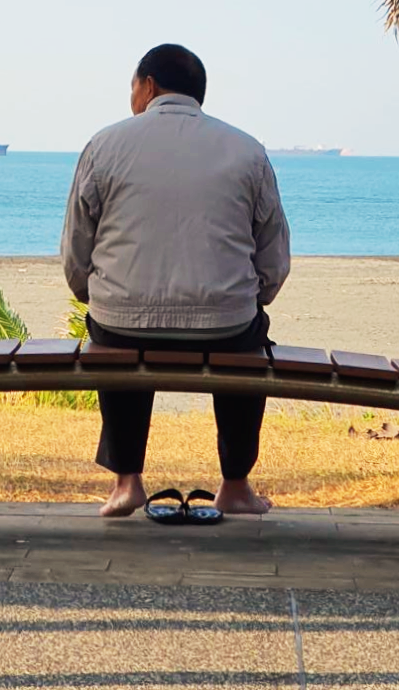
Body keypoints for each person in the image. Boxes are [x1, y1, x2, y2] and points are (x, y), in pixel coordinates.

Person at [61, 43, 291, 519]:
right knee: (250, 336)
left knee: (114, 330)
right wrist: (254, 297)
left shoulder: (104, 144)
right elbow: (273, 252)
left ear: (148, 86)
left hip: (121, 323)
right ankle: (235, 485)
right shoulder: (247, 150)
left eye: (131, 86)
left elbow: (77, 245)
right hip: (226, 327)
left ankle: (127, 482)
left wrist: (92, 293)